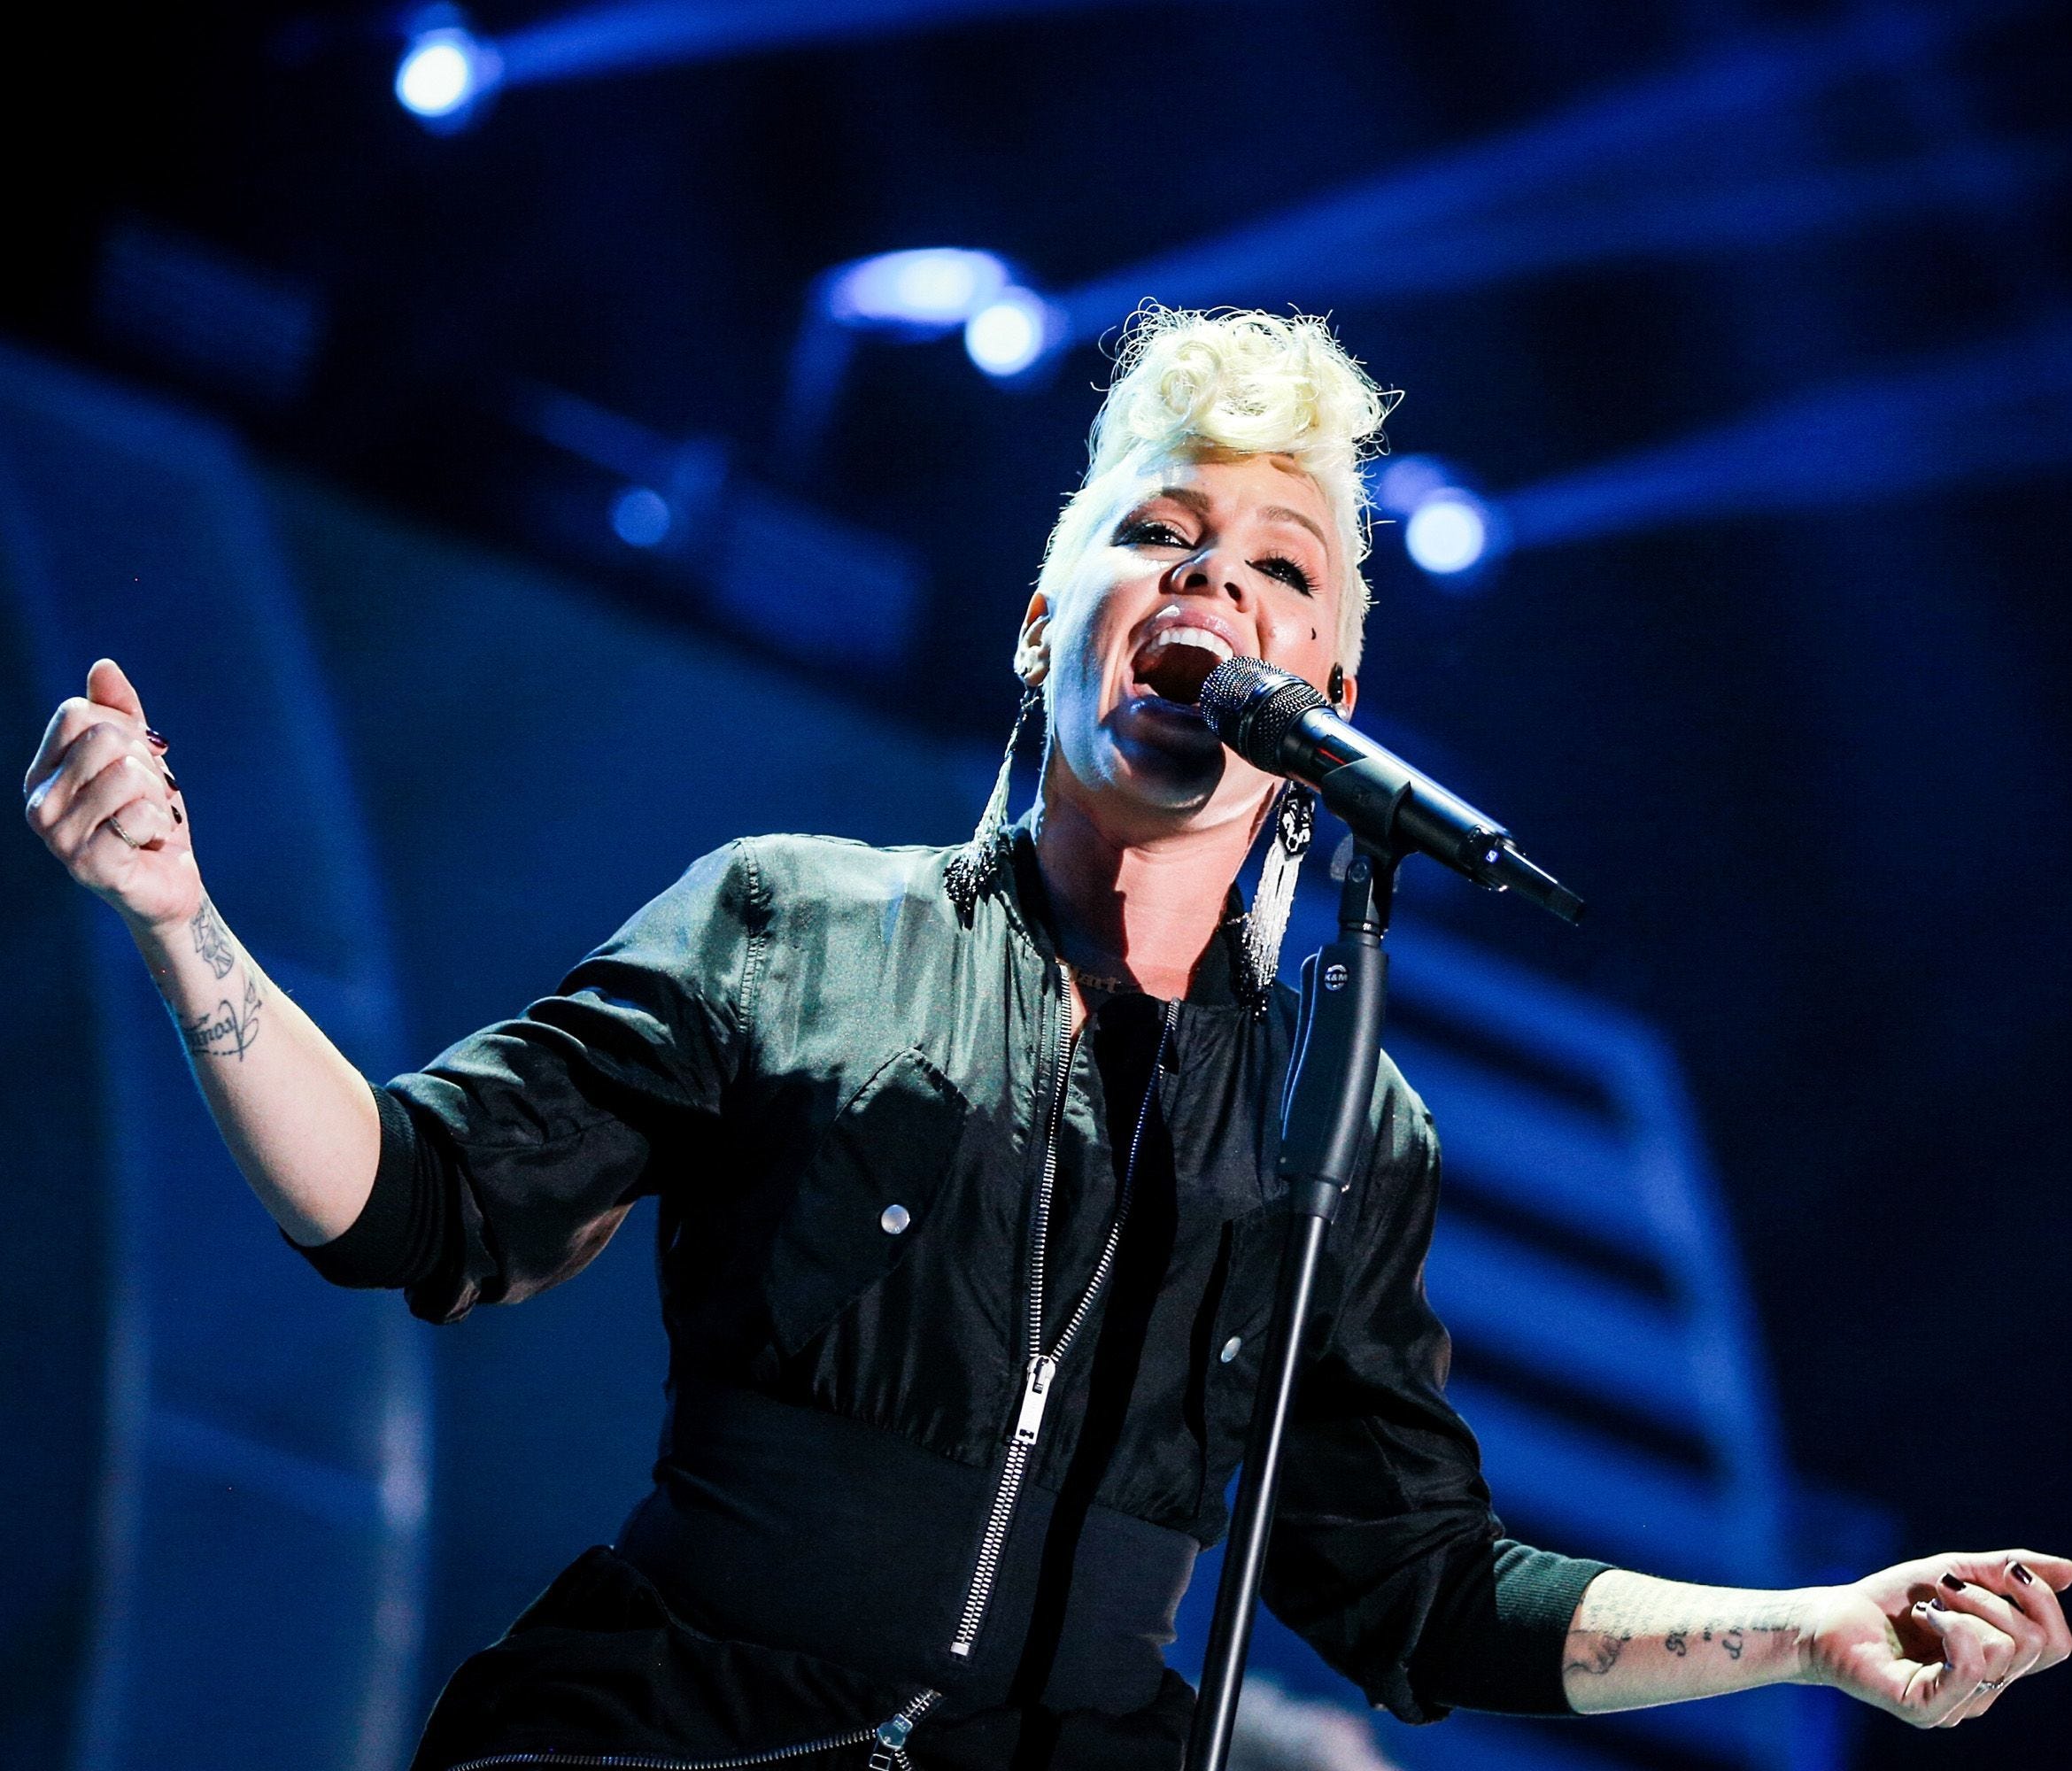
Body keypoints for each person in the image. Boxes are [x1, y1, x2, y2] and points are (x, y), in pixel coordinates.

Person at [23, 306, 2068, 1771]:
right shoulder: (796, 921)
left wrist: (1813, 1636)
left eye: (1278, 569)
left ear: (1331, 683)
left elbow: (1421, 1592)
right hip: (676, 1736)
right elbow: (408, 1199)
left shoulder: (1344, 1121)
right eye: (1165, 537)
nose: (1216, 588)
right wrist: (184, 919)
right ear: (1047, 614)